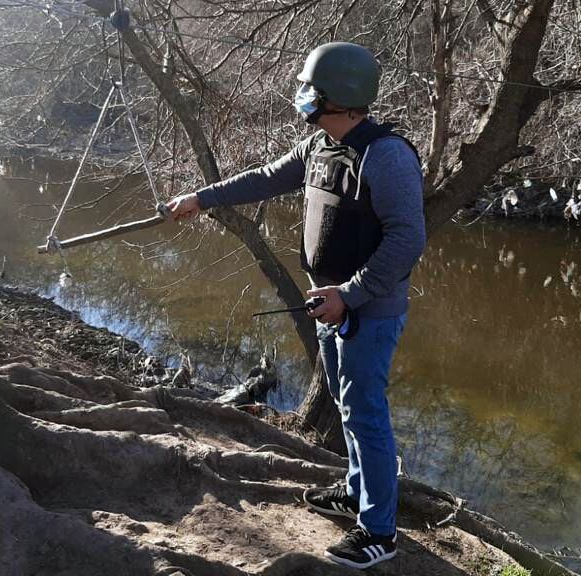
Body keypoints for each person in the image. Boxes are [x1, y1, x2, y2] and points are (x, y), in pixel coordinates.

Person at [166, 42, 426, 570]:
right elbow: (265, 177)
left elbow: (406, 241)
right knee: (346, 404)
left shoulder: (387, 155)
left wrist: (348, 295)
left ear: (344, 98)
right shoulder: (319, 147)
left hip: (365, 311)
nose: (304, 98)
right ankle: (357, 491)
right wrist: (202, 197)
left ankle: (379, 532)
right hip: (329, 303)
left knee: (366, 414)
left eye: (314, 91)